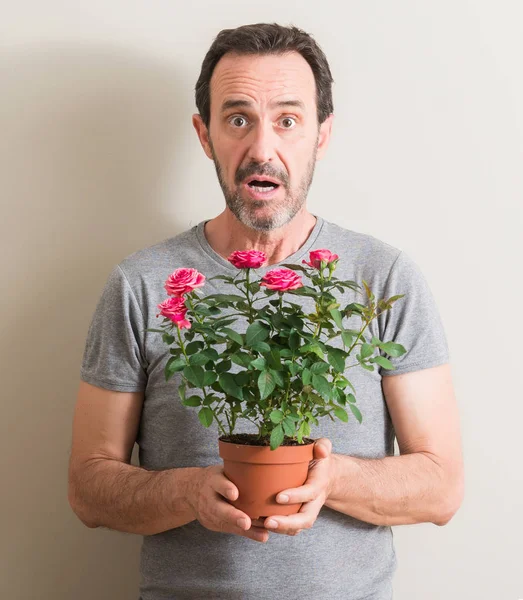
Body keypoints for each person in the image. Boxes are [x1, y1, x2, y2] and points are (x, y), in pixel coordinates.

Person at [68, 23, 464, 600]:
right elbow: (87, 489)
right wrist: (188, 493)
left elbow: (442, 487)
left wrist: (332, 480)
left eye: (287, 119)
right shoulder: (141, 284)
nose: (262, 148)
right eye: (237, 119)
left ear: (321, 135)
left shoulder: (383, 277)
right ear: (204, 135)